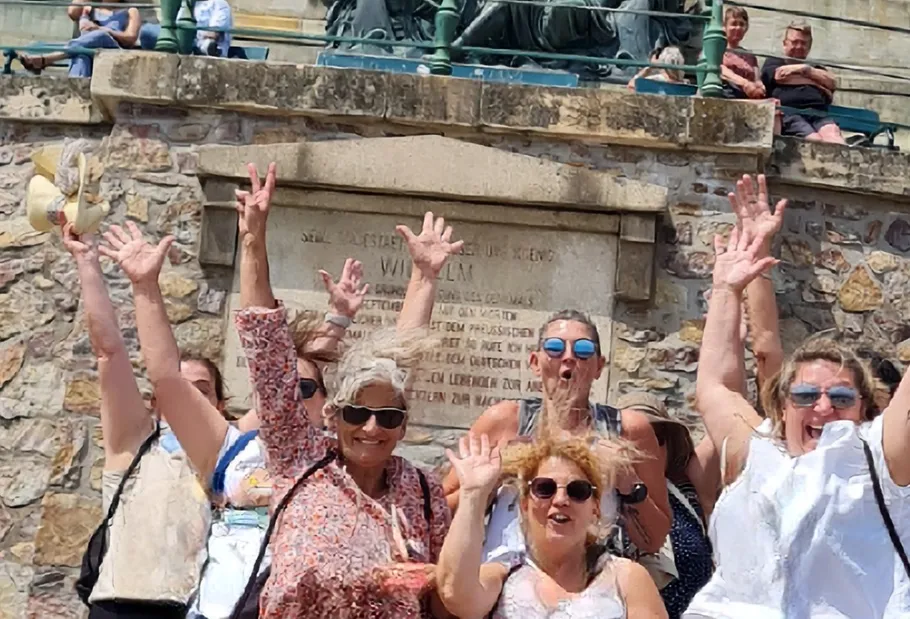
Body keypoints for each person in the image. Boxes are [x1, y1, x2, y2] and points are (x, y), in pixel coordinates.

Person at [150, 160, 463, 617]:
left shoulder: (422, 491)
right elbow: (267, 351)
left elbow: (397, 366)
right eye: (357, 414)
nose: (372, 428)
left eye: (389, 418)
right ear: (334, 416)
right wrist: (253, 240)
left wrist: (425, 277)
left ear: (403, 426)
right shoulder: (300, 460)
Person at [684, 197, 910, 616]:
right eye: (806, 396)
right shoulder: (756, 450)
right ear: (783, 406)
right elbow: (714, 385)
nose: (822, 407)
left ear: (864, 409)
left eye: (841, 398)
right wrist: (725, 290)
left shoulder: (880, 460)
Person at [61, 220, 212, 618]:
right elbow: (108, 350)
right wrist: (88, 263)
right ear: (158, 400)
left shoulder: (231, 462)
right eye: (182, 388)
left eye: (204, 390)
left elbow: (292, 400)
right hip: (120, 607)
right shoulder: (135, 441)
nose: (191, 397)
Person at [442, 314, 672, 561]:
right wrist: (491, 481)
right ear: (535, 362)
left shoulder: (627, 430)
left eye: (583, 350)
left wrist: (629, 485)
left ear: (599, 366)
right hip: (504, 578)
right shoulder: (504, 422)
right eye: (554, 347)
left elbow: (655, 539)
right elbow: (439, 513)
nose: (569, 357)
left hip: (591, 581)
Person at [437, 431, 668, 619]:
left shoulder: (627, 578)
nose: (559, 500)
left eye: (577, 491)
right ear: (525, 504)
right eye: (544, 489)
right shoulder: (504, 574)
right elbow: (455, 594)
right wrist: (473, 494)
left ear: (595, 509)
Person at [615, 393, 714, 619]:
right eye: (631, 436)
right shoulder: (593, 501)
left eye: (655, 436)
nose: (643, 446)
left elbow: (728, 426)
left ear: (667, 447)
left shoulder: (687, 490)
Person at [760, 21, 845, 144]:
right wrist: (816, 82)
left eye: (803, 43)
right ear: (785, 44)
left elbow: (832, 83)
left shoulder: (814, 67)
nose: (799, 46)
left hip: (818, 114)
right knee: (816, 142)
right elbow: (780, 76)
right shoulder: (774, 62)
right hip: (790, 115)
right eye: (795, 42)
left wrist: (805, 70)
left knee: (835, 139)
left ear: (809, 47)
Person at [19, 0, 140, 77]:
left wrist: (102, 29)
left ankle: (47, 59)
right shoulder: (89, 7)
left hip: (113, 51)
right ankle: (77, 102)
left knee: (100, 35)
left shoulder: (130, 10)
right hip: (86, 50)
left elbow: (131, 38)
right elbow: (72, 12)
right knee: (81, 57)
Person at [138, 0, 233, 57]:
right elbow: (175, 24)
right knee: (147, 31)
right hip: (181, 40)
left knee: (207, 43)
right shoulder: (186, 4)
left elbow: (213, 33)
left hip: (203, 46)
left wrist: (189, 34)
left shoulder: (219, 4)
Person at [720, 7, 763, 100]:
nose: (738, 28)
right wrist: (745, 83)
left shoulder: (750, 56)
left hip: (747, 97)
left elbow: (757, 79)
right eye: (734, 24)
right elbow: (720, 70)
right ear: (724, 26)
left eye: (742, 24)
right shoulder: (717, 49)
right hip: (725, 95)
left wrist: (760, 87)